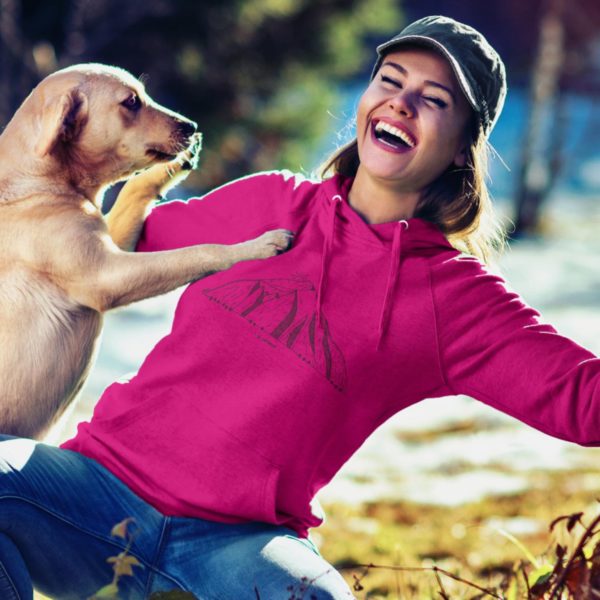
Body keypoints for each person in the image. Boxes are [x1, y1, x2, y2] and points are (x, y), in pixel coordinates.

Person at [1, 14, 598, 600]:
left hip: (237, 546)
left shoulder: (453, 297)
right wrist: (126, 183)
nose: (401, 104)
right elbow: (123, 245)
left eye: (434, 99)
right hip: (94, 494)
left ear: (464, 148)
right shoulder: (270, 200)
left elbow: (583, 402)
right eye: (390, 81)